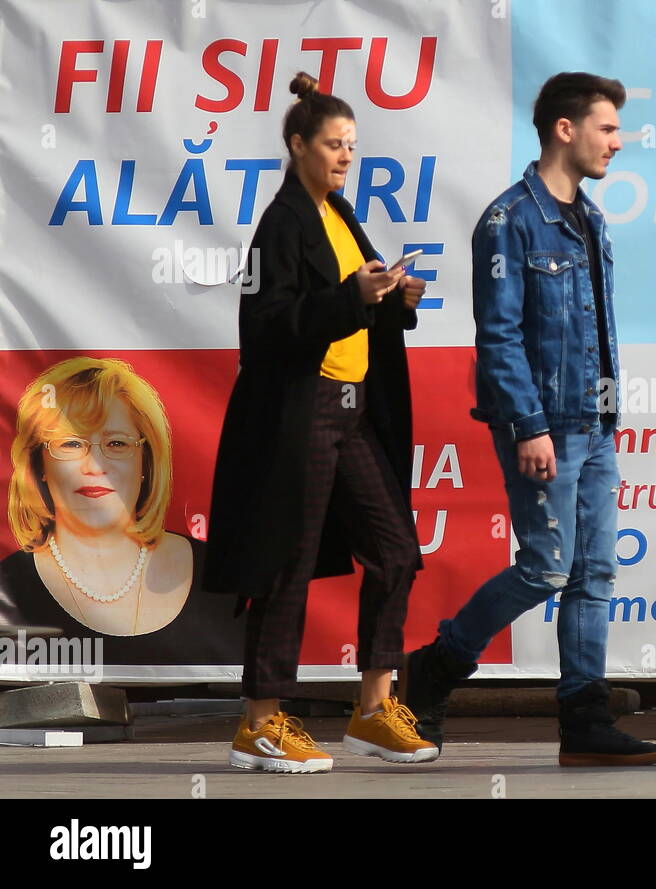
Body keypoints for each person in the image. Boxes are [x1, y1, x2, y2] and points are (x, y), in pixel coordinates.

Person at [400, 72, 656, 767]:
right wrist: (528, 425)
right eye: (607, 129)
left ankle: (584, 718)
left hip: (596, 422)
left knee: (595, 571)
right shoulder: (510, 220)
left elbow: (594, 328)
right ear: (565, 129)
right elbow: (499, 335)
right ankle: (433, 668)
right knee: (548, 569)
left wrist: (607, 414)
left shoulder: (590, 217)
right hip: (544, 423)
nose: (617, 142)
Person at [204, 72, 432, 773]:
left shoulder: (337, 213)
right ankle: (260, 723)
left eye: (352, 146)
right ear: (297, 144)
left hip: (353, 411)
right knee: (286, 563)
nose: (344, 157)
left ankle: (371, 710)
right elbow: (266, 326)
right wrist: (348, 296)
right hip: (299, 413)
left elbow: (348, 305)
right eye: (333, 144)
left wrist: (392, 298)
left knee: (395, 552)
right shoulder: (282, 222)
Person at [0, 357, 239, 665]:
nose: (94, 466)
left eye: (116, 443)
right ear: (39, 464)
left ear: (146, 463)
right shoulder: (6, 585)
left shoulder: (223, 576)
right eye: (71, 444)